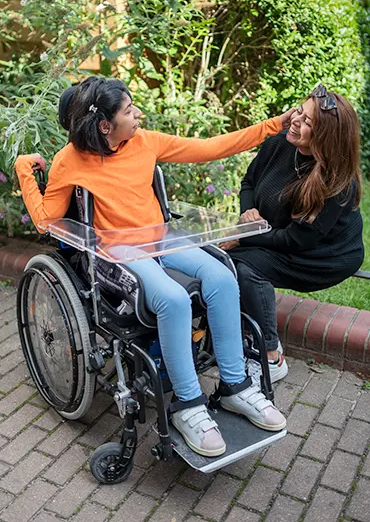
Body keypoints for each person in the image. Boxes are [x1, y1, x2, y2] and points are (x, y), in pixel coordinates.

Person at [15, 76, 291, 458]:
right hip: (119, 253)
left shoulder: (144, 141)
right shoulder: (70, 161)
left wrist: (274, 125)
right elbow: (48, 220)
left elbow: (211, 148)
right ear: (104, 125)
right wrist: (24, 170)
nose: (138, 114)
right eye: (129, 110)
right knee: (173, 299)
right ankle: (187, 406)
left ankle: (235, 386)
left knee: (222, 278)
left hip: (159, 238)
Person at [221, 84, 364, 383]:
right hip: (279, 233)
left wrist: (245, 235)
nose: (296, 120)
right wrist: (250, 217)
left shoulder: (336, 182)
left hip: (323, 255)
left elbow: (297, 241)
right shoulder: (280, 144)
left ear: (325, 137)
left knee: (247, 268)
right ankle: (243, 332)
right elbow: (249, 181)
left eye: (308, 121)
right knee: (224, 258)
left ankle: (272, 357)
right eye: (300, 110)